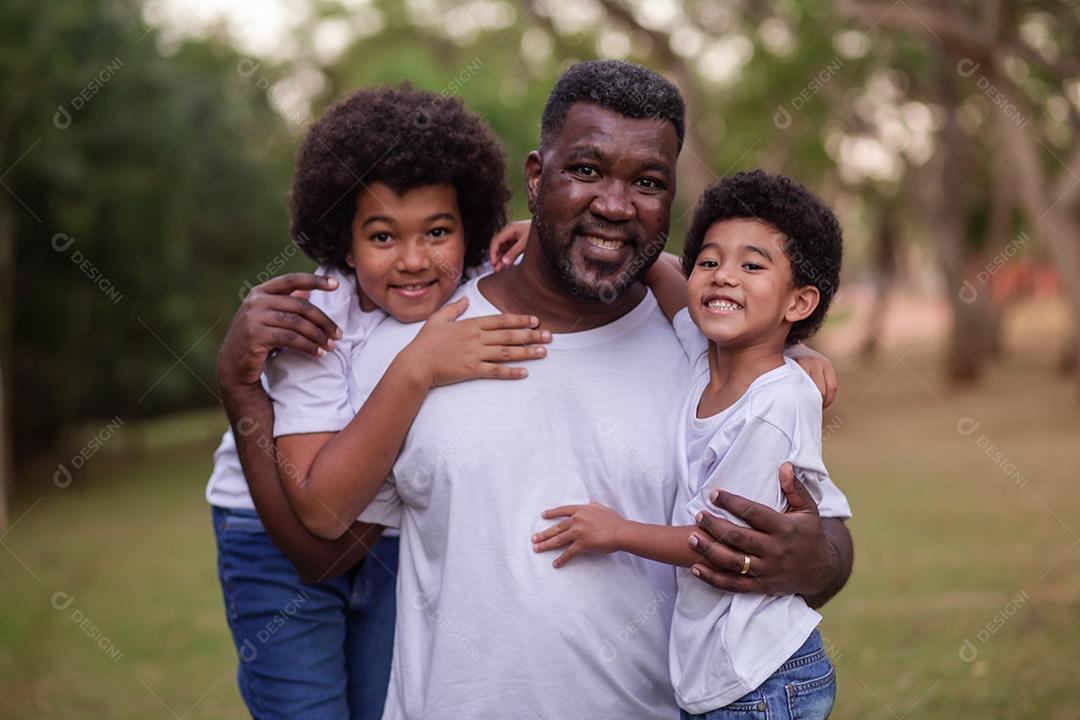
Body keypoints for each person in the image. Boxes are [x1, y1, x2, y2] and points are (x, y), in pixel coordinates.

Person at [218, 59, 853, 719]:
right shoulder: (414, 346)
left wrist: (814, 563)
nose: (613, 203)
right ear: (535, 175)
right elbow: (323, 545)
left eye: (648, 181)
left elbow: (821, 534)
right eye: (584, 170)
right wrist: (241, 394)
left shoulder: (707, 354)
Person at [209, 84, 545, 720]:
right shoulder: (316, 322)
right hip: (271, 525)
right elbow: (321, 521)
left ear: (469, 229)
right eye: (383, 236)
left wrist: (542, 237)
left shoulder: (478, 291)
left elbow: (599, 273)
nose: (414, 260)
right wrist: (415, 370)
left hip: (395, 539)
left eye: (438, 231)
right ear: (344, 238)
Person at [531, 169, 848, 719]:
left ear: (799, 304)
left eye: (752, 265)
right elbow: (658, 273)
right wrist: (541, 231)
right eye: (709, 261)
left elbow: (719, 538)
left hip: (761, 678)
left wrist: (615, 532)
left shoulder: (772, 406)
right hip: (722, 671)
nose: (723, 276)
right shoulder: (704, 359)